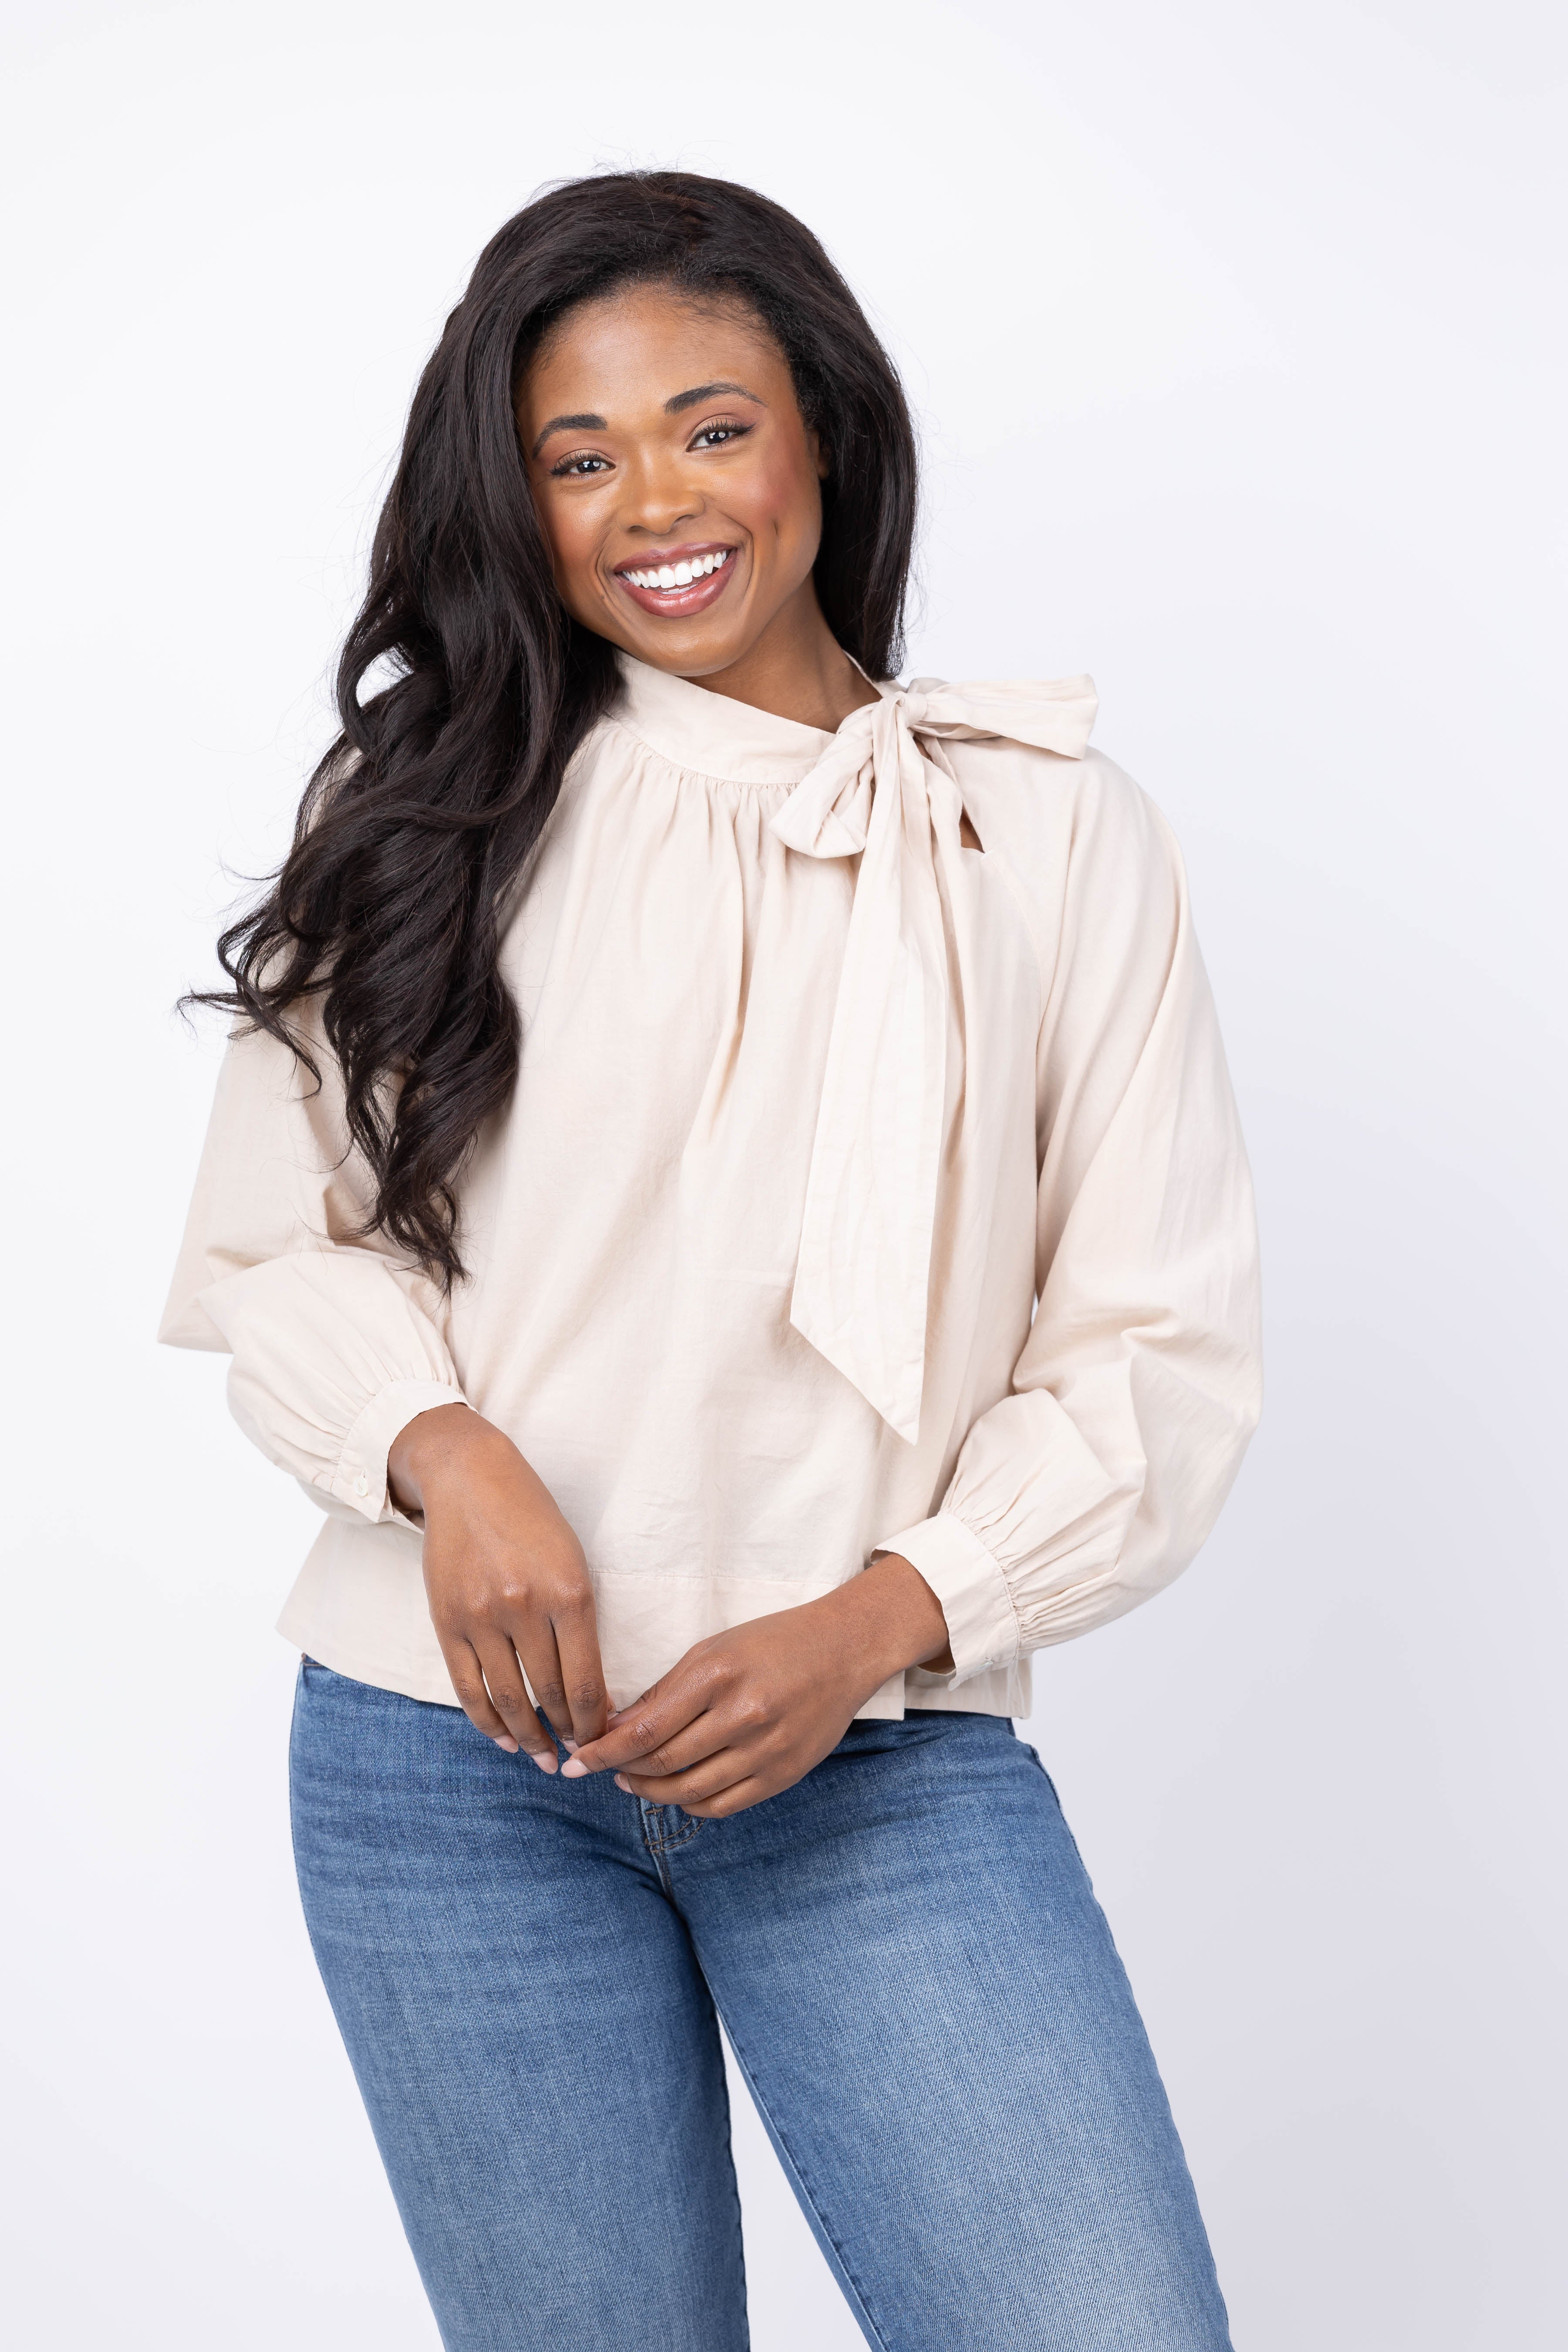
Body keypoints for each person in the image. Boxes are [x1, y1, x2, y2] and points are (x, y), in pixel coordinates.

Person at [162, 169, 1262, 2352]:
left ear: (821, 433)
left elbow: (1156, 1350)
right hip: (445, 1772)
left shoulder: (1048, 832)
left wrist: (874, 1623)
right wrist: (448, 1455)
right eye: (578, 458)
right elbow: (281, 1242)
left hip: (881, 1759)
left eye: (710, 427)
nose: (653, 503)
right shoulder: (440, 807)